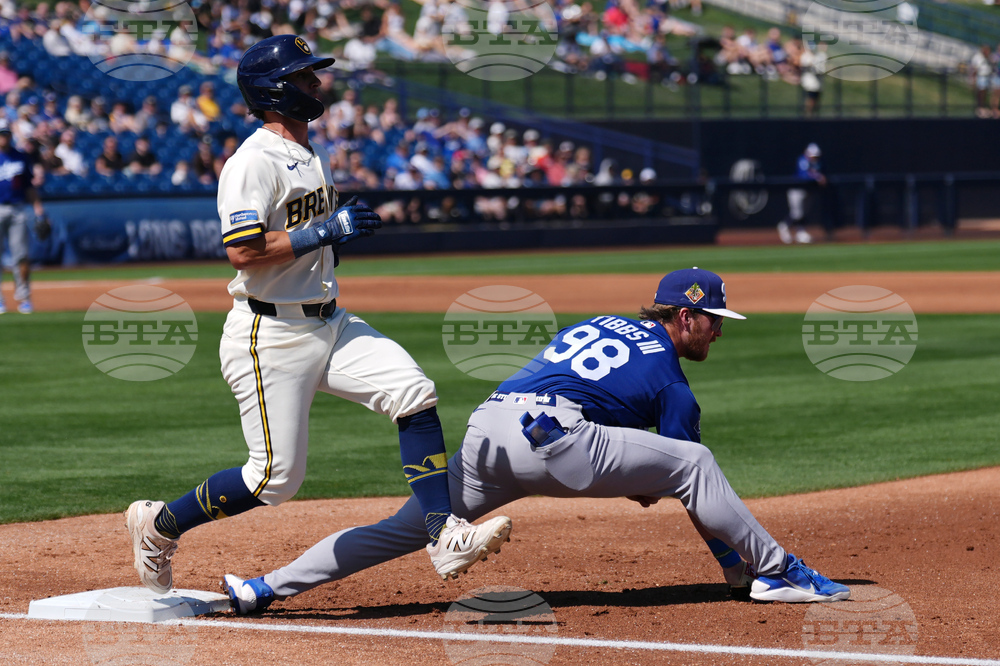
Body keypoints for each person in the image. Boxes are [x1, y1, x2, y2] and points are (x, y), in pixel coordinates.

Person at [124, 34, 512, 597]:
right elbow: (242, 251)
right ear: (275, 91)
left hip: (328, 320)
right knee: (273, 480)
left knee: (412, 390)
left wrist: (334, 236)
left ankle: (442, 531)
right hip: (270, 331)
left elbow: (303, 246)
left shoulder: (307, 153)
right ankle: (160, 527)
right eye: (305, 77)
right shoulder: (251, 162)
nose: (317, 83)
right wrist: (324, 230)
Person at [221, 267, 850, 614]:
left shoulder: (598, 322)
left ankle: (264, 587)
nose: (719, 331)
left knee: (406, 527)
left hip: (490, 425)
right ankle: (778, 572)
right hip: (556, 439)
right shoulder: (673, 384)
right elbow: (685, 486)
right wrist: (732, 570)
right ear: (686, 317)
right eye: (714, 320)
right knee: (697, 461)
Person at [0, 122, 45, 314]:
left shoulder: (21, 157)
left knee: (21, 255)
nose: (4, 137)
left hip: (18, 208)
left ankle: (24, 297)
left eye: (6, 133)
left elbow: (29, 187)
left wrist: (39, 210)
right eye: (1, 134)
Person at [778, 143, 825, 244]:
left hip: (808, 191)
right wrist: (818, 177)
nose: (815, 158)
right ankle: (797, 231)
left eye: (816, 156)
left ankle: (788, 227)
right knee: (797, 213)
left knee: (802, 213)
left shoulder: (818, 163)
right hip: (797, 190)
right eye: (813, 156)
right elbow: (804, 175)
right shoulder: (802, 160)